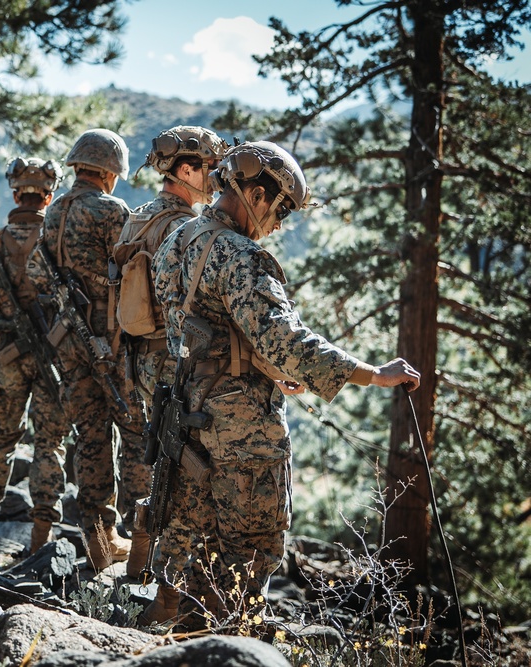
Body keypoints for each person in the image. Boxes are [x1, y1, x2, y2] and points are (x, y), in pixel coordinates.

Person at [145, 140, 421, 628]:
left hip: (187, 413)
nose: (278, 224)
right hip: (243, 431)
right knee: (252, 551)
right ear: (255, 193)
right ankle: (233, 646)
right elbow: (287, 343)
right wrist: (374, 374)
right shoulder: (242, 257)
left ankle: (173, 630)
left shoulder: (179, 239)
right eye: (280, 210)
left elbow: (201, 328)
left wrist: (264, 364)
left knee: (193, 540)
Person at [114, 125, 229, 578]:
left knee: (168, 464)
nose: (217, 180)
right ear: (185, 169)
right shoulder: (184, 225)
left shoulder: (138, 216)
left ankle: (142, 571)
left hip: (142, 356)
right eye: (210, 169)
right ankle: (159, 584)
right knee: (181, 470)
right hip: (172, 360)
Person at [26, 128, 134, 570]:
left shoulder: (53, 214)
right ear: (109, 173)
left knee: (90, 434)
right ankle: (138, 537)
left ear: (76, 166)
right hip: (108, 340)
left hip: (68, 341)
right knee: (133, 429)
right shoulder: (112, 210)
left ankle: (98, 537)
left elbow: (37, 274)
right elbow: (133, 272)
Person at [0, 157, 69, 552]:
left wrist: (0, 347)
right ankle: (41, 533)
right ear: (49, 195)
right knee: (49, 443)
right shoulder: (58, 241)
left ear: (14, 194)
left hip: (9, 360)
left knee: (1, 436)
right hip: (55, 358)